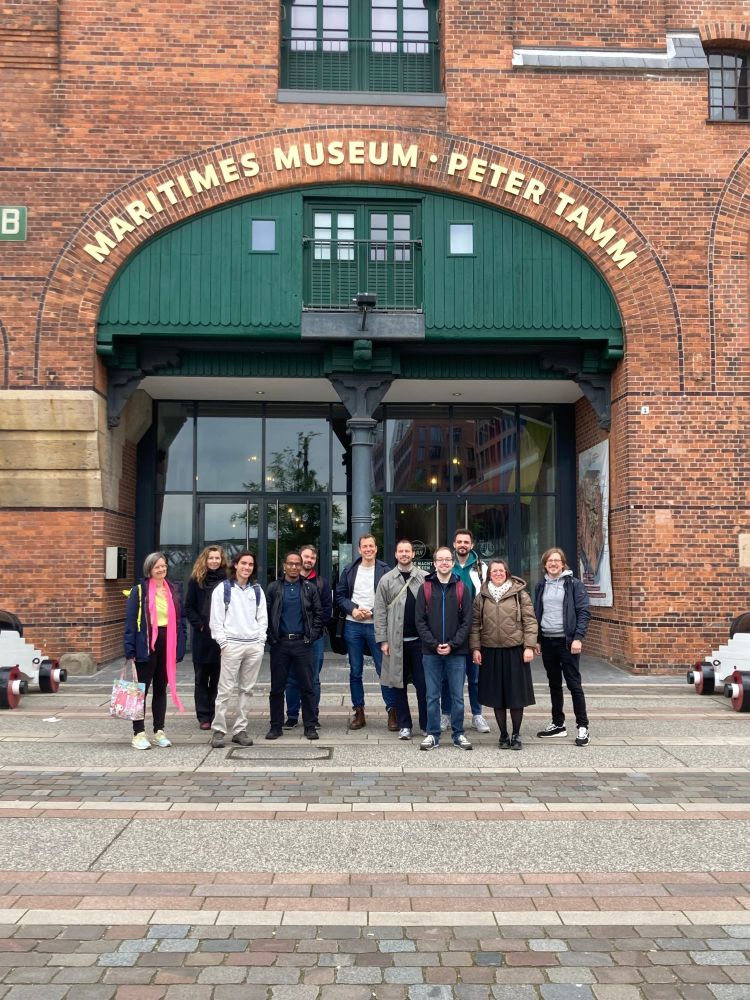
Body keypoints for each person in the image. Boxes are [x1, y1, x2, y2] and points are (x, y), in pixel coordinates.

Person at [470, 558, 537, 750]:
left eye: (501, 571)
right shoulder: (481, 596)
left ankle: (516, 734)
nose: (498, 574)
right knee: (496, 696)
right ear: (489, 574)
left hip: (515, 650)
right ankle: (503, 735)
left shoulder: (519, 594)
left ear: (507, 573)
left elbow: (530, 622)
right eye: (494, 571)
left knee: (516, 696)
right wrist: (475, 648)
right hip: (490, 651)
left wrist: (529, 647)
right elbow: (474, 625)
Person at [123, 551, 186, 751]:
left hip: (167, 642)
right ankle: (139, 733)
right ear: (149, 569)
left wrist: (180, 645)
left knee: (160, 689)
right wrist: (130, 650)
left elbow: (180, 620)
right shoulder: (139, 591)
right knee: (141, 690)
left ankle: (159, 731)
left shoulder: (173, 589)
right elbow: (131, 622)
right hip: (146, 643)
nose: (162, 569)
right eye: (157, 566)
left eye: (164, 566)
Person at [416, 545, 473, 751]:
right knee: (432, 696)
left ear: (453, 562)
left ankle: (458, 734)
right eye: (440, 559)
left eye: (448, 559)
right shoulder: (425, 588)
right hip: (430, 653)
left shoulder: (461, 588)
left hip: (456, 652)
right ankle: (433, 734)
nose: (444, 563)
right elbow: (419, 620)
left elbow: (467, 621)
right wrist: (434, 644)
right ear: (434, 563)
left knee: (457, 696)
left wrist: (452, 644)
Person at [335, 534, 395, 731]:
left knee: (383, 670)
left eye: (371, 546)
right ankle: (359, 712)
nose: (368, 549)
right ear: (359, 550)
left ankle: (392, 712)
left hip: (377, 626)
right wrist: (353, 609)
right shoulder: (349, 570)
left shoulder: (386, 570)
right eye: (364, 547)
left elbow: (393, 598)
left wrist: (374, 612)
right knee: (355, 671)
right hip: (353, 626)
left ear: (376, 548)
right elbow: (340, 596)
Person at [208, 549, 267, 748]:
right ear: (235, 565)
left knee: (247, 690)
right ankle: (218, 730)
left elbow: (262, 619)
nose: (246, 567)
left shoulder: (257, 591)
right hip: (232, 645)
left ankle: (240, 729)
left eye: (250, 564)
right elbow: (216, 621)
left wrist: (260, 642)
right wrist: (224, 643)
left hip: (253, 646)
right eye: (243, 563)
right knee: (224, 690)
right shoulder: (223, 589)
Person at [533, 546, 591, 747]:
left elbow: (583, 612)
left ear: (563, 564)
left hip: (567, 643)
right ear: (545, 565)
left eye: (557, 560)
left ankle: (582, 726)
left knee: (574, 684)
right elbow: (537, 613)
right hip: (548, 641)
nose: (553, 563)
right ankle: (558, 724)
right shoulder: (541, 586)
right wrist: (537, 639)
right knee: (554, 685)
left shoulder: (574, 584)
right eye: (550, 561)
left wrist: (578, 638)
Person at [266, 550, 324, 741]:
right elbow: (265, 615)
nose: (293, 567)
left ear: (301, 566)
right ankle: (276, 726)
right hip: (280, 643)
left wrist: (312, 636)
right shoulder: (274, 588)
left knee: (307, 687)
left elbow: (318, 614)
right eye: (290, 563)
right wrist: (271, 638)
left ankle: (309, 725)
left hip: (302, 643)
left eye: (297, 564)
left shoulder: (309, 588)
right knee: (277, 688)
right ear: (284, 565)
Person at [373, 539, 428, 740]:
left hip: (421, 642)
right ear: (396, 555)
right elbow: (379, 612)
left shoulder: (424, 578)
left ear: (413, 554)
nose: (404, 554)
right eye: (401, 551)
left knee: (424, 686)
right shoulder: (386, 580)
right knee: (398, 684)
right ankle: (405, 724)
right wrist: (382, 641)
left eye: (408, 551)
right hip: (395, 643)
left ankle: (426, 724)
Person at [444, 528, 491, 735]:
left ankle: (477, 714)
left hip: (474, 628)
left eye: (466, 542)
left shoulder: (482, 568)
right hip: (450, 628)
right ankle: (446, 714)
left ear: (471, 545)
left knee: (474, 676)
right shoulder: (447, 564)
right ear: (454, 544)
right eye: (459, 542)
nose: (462, 545)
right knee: (447, 676)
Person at [284, 543, 332, 729]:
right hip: (291, 638)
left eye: (312, 558)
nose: (309, 560)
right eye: (306, 556)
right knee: (291, 678)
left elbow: (327, 611)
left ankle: (312, 715)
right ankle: (292, 715)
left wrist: (314, 632)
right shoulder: (286, 581)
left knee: (313, 679)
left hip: (315, 638)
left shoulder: (321, 583)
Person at [185, 545, 228, 730]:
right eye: (211, 558)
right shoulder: (196, 580)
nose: (214, 561)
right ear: (205, 559)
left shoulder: (228, 581)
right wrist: (200, 625)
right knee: (201, 678)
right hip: (203, 636)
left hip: (222, 636)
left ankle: (215, 712)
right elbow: (189, 607)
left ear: (222, 560)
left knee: (219, 678)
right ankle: (204, 716)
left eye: (217, 558)